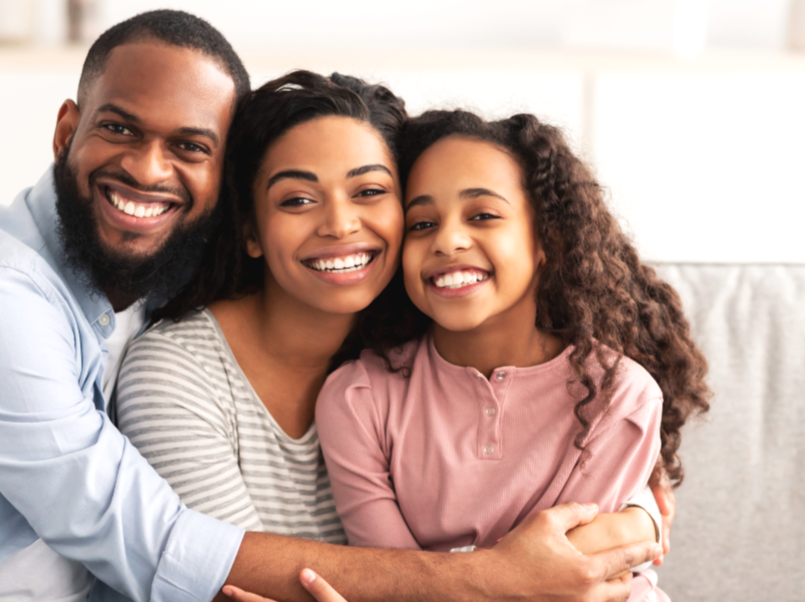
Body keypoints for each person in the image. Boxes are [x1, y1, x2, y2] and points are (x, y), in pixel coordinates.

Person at [0, 11, 661, 602]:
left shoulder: (161, 290)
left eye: (187, 146)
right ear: (67, 129)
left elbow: (571, 410)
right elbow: (161, 549)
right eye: (118, 129)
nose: (148, 170)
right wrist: (493, 582)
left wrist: (636, 522)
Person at [116, 70, 662, 556]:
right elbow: (230, 580)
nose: (340, 225)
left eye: (370, 191)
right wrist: (508, 575)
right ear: (251, 231)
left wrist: (641, 514)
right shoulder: (180, 375)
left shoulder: (448, 330)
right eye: (298, 200)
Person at [310, 110, 712, 600]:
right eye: (422, 222)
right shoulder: (357, 398)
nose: (448, 240)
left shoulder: (619, 397)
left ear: (547, 240)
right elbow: (391, 583)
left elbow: (564, 580)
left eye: (482, 215)